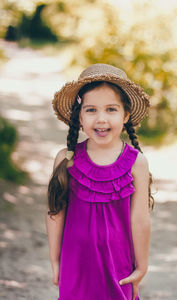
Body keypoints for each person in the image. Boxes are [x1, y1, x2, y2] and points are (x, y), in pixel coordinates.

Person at [45, 63, 154, 300]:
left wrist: (142, 266)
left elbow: (140, 218)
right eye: (91, 110)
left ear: (125, 115)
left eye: (111, 110)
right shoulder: (67, 159)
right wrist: (55, 261)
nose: (101, 119)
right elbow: (56, 211)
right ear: (79, 116)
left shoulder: (137, 163)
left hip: (120, 264)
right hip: (76, 262)